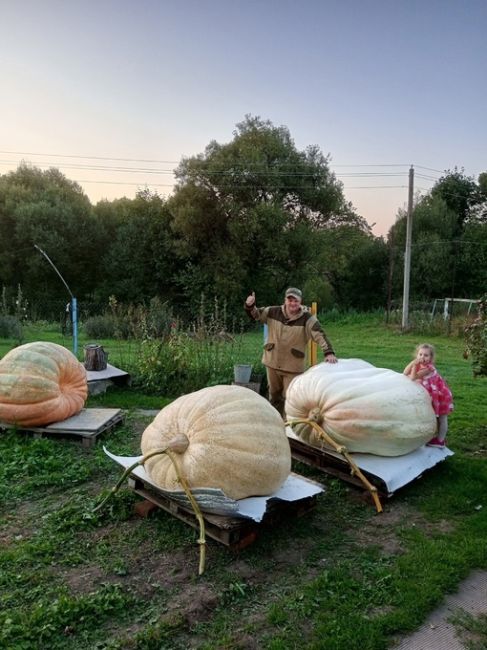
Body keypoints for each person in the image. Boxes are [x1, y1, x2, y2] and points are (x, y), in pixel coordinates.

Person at [244, 287, 338, 417]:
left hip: (293, 366)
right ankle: (275, 424)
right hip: (272, 362)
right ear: (285, 300)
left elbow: (319, 334)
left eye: (296, 301)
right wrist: (250, 305)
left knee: (291, 398)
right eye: (290, 300)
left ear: (300, 302)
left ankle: (289, 429)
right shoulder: (272, 311)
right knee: (274, 395)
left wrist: (329, 352)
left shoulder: (307, 318)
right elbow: (256, 315)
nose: (293, 303)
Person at [403, 343, 453, 448]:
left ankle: (440, 441)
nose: (422, 357)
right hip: (433, 394)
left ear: (431, 358)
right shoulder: (419, 364)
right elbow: (404, 372)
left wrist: (415, 365)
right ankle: (438, 437)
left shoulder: (428, 368)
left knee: (442, 418)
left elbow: (412, 377)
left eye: (426, 355)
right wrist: (413, 363)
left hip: (441, 396)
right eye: (420, 354)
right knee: (436, 417)